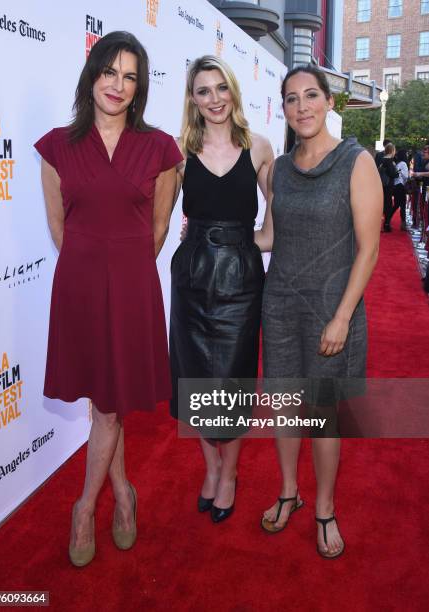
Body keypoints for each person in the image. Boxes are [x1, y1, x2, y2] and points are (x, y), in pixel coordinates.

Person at [34, 31, 182, 567]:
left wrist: (124, 265)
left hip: (132, 284)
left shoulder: (161, 147)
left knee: (108, 408)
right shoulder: (56, 146)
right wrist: (91, 267)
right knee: (105, 404)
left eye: (130, 77)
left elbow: (161, 225)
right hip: (78, 284)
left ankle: (84, 506)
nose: (118, 85)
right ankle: (123, 494)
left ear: (140, 88)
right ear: (92, 73)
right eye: (109, 72)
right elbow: (58, 226)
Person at [255, 64, 382, 558]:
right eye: (292, 98)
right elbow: (270, 236)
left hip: (332, 309)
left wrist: (343, 316)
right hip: (280, 305)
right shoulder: (280, 170)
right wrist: (217, 238)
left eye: (311, 95)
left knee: (323, 416)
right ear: (284, 108)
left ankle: (325, 508)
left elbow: (368, 249)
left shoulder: (357, 161)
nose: (302, 106)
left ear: (330, 102)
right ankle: (290, 492)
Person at [169, 55, 273, 523]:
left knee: (230, 383)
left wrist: (255, 240)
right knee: (195, 383)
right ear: (192, 99)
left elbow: (282, 210)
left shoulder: (258, 148)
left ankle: (229, 474)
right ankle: (210, 469)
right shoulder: (178, 150)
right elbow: (155, 218)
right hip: (192, 280)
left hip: (241, 282)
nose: (214, 99)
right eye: (203, 91)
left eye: (220, 88)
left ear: (233, 90)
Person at [379, 143, 399, 232]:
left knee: (381, 204)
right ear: (392, 151)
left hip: (381, 184)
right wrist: (397, 172)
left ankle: (380, 224)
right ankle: (386, 224)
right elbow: (393, 174)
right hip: (388, 186)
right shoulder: (390, 161)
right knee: (388, 205)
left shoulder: (381, 160)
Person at [391, 149, 409, 230]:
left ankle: (388, 218)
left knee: (397, 204)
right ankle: (403, 224)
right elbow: (406, 176)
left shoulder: (397, 164)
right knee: (402, 205)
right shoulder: (404, 164)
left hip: (396, 186)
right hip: (401, 186)